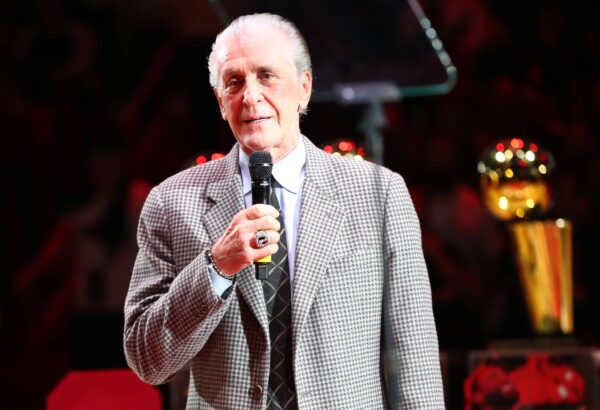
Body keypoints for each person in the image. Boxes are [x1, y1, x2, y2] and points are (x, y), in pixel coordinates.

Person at [123, 13, 444, 409]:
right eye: (234, 82)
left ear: (304, 88)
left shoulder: (378, 193)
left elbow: (414, 354)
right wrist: (216, 267)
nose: (250, 96)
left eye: (267, 76)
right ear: (220, 102)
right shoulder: (172, 202)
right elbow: (147, 360)